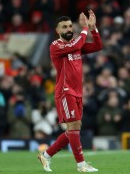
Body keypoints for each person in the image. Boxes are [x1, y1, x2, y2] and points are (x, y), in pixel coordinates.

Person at [37, 10, 102, 172]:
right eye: (64, 27)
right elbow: (77, 44)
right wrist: (85, 28)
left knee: (74, 128)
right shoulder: (56, 46)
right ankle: (81, 165)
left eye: (70, 26)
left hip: (77, 91)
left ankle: (46, 155)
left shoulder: (75, 45)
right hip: (65, 91)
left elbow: (97, 45)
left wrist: (93, 28)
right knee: (73, 127)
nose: (68, 29)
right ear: (57, 31)